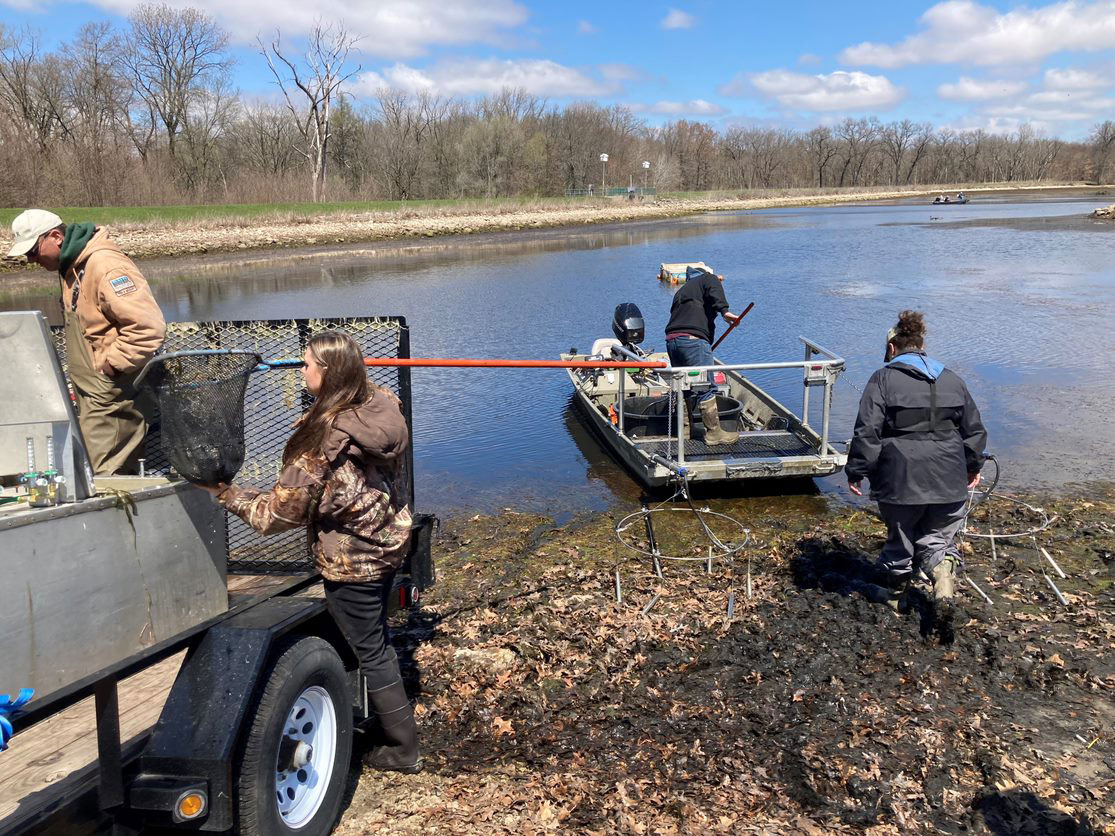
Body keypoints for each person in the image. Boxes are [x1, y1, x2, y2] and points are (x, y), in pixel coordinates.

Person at [198, 331, 419, 773]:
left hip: (353, 561)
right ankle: (385, 726)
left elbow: (274, 516)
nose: (301, 371)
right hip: (388, 543)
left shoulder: (322, 447)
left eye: (306, 365)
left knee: (372, 650)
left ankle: (403, 748)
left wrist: (225, 494)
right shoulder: (380, 404)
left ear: (329, 372)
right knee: (376, 640)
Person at [845, 310, 987, 609]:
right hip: (950, 476)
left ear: (893, 348)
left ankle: (896, 598)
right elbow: (974, 430)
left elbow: (867, 430)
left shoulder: (882, 379)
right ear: (922, 345)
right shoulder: (952, 379)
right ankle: (942, 578)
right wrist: (972, 467)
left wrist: (857, 470)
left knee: (901, 539)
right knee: (937, 539)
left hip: (901, 478)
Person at [8, 210, 165, 475]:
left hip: (113, 398)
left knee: (104, 479)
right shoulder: (72, 267)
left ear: (56, 237)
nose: (30, 260)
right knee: (91, 475)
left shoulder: (105, 265)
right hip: (93, 398)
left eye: (33, 251)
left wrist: (110, 368)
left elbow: (148, 328)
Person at [663, 267, 743, 445]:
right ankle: (714, 433)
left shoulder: (681, 293)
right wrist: (725, 311)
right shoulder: (707, 278)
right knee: (706, 386)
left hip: (672, 341)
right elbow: (713, 284)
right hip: (693, 341)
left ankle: (684, 433)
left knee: (682, 387)